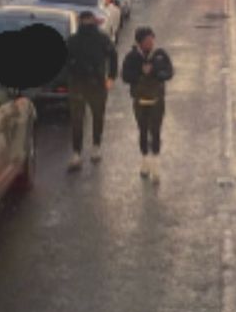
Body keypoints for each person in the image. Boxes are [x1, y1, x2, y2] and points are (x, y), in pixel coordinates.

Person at [65, 11, 118, 171]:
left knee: (90, 117)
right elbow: (113, 55)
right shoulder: (76, 40)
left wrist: (111, 77)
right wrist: (110, 77)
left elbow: (113, 56)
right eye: (85, 20)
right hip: (84, 84)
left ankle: (87, 149)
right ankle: (83, 150)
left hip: (91, 84)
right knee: (81, 119)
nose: (87, 23)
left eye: (88, 20)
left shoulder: (97, 39)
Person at [121, 27, 174, 184]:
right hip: (139, 101)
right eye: (146, 40)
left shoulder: (160, 55)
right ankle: (145, 161)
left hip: (157, 101)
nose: (150, 43)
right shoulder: (132, 57)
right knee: (143, 130)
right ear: (139, 42)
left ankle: (156, 166)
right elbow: (125, 76)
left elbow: (169, 72)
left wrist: (157, 73)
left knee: (155, 131)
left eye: (152, 39)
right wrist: (140, 73)